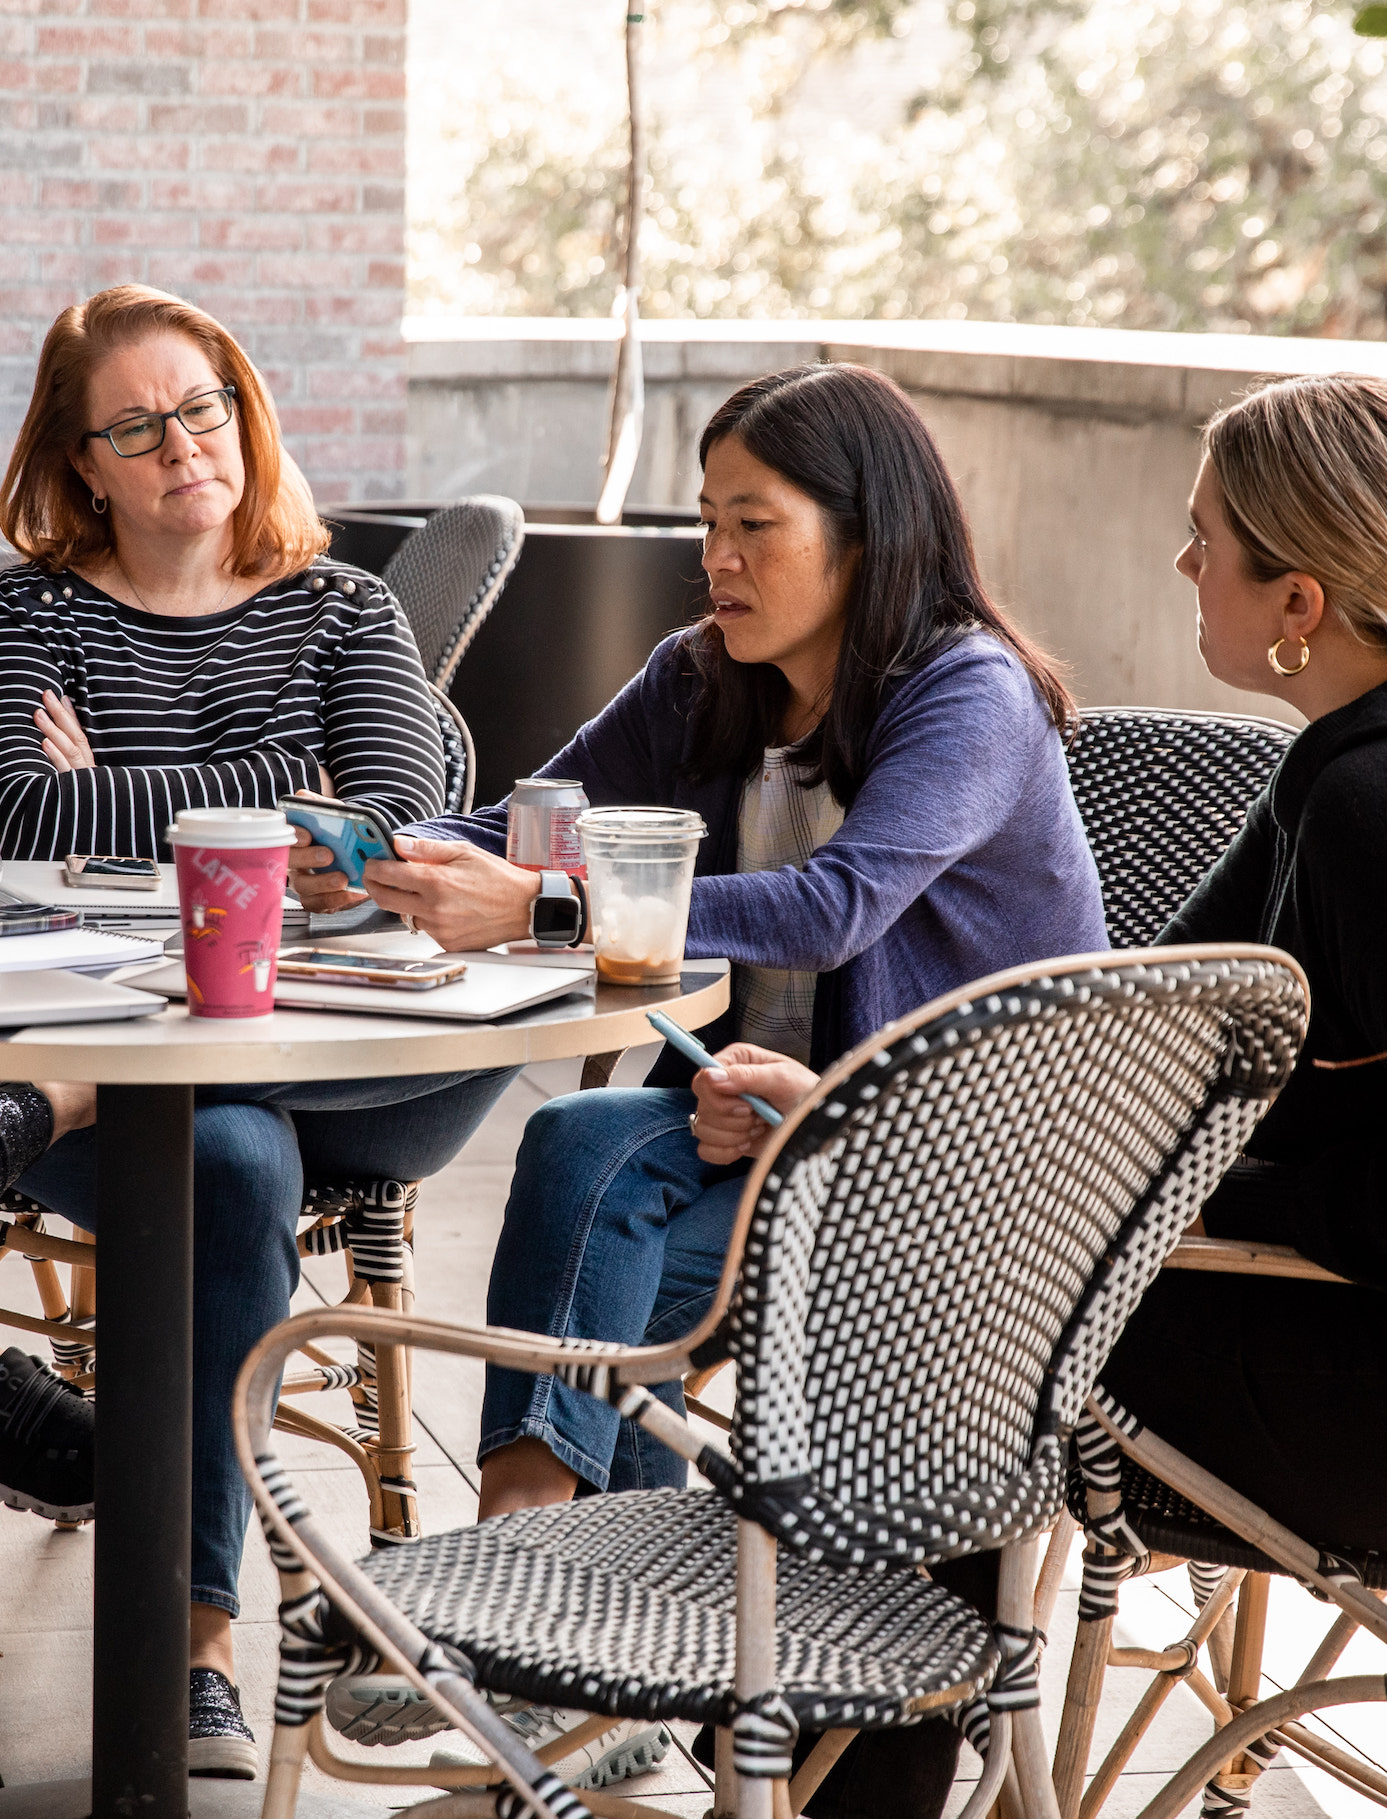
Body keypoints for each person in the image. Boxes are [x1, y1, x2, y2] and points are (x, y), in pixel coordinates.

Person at [292, 361, 1110, 1789]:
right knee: (585, 1153)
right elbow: (536, 820)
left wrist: (543, 912)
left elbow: (835, 905)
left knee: (597, 1183)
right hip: (776, 1136)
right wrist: (382, 863)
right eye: (706, 523)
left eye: (756, 525)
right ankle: (564, 1634)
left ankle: (524, 1621)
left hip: (956, 1185)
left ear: (867, 534)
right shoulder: (703, 678)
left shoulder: (967, 693)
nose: (717, 561)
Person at [0, 285, 523, 1778]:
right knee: (223, 1161)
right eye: (140, 425)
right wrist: (274, 794)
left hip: (360, 1061)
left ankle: (79, 1118)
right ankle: (199, 1645)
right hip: (154, 1069)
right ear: (82, 459)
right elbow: (12, 816)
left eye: (208, 405)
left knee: (217, 1124)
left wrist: (128, 793)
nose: (187, 446)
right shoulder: (22, 614)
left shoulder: (347, 609)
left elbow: (398, 827)